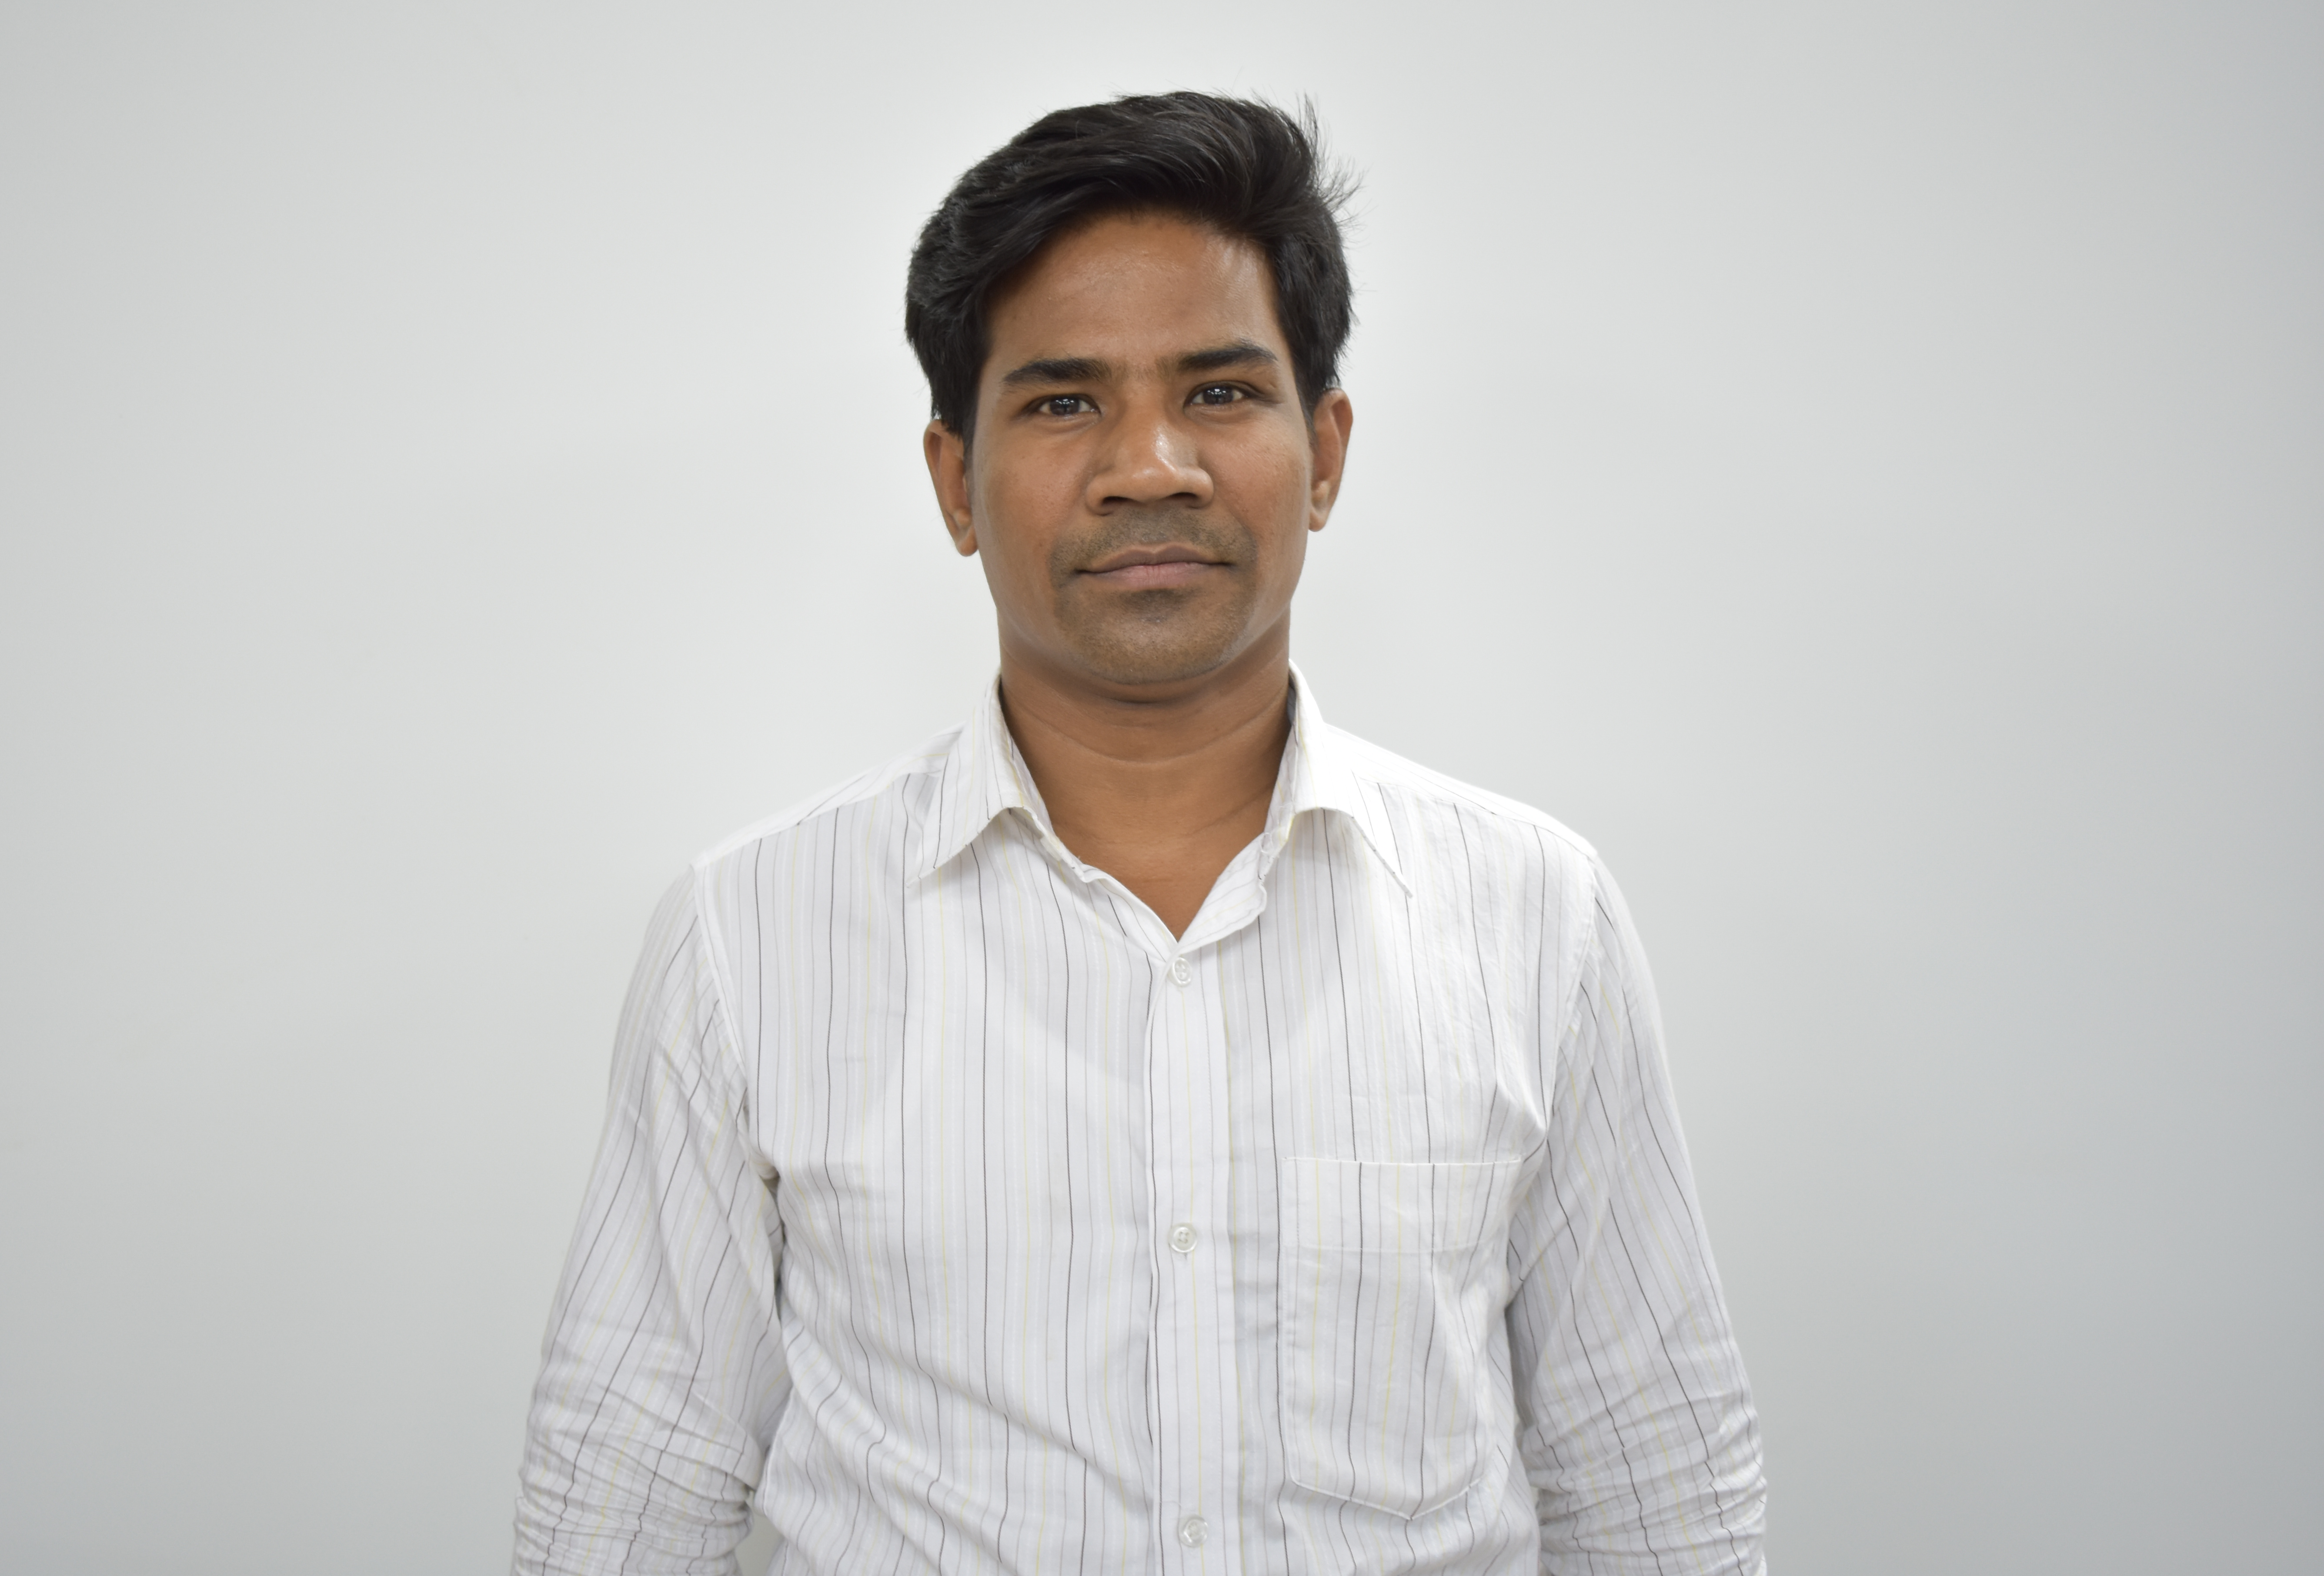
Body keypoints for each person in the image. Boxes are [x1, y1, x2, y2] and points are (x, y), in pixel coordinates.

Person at [511, 93, 1764, 1575]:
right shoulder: (753, 932)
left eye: (1221, 392)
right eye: (1063, 403)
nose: (1150, 464)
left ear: (1327, 453)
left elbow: (1653, 1488)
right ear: (955, 482)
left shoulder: (1537, 915)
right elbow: (630, 1500)